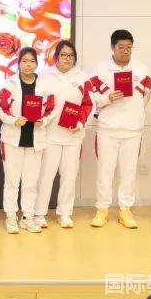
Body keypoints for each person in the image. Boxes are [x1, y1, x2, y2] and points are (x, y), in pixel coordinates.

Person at [88, 29, 151, 229]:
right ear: (112, 47)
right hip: (107, 130)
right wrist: (107, 99)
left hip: (132, 130)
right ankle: (102, 209)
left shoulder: (141, 69)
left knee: (129, 172)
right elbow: (92, 97)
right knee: (104, 172)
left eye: (129, 47)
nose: (125, 51)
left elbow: (145, 98)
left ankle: (125, 210)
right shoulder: (100, 69)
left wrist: (135, 115)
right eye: (121, 47)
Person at [0, 47, 57, 234]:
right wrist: (13, 120)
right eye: (24, 61)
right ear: (18, 63)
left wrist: (43, 121)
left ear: (37, 64)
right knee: (12, 181)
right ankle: (11, 217)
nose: (28, 65)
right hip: (13, 139)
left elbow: (52, 109)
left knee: (31, 182)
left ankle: (27, 217)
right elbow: (0, 109)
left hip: (35, 140)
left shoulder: (44, 85)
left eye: (31, 61)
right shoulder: (9, 84)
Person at [33, 40, 92, 229]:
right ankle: (39, 213)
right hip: (50, 135)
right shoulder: (45, 76)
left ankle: (65, 213)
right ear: (56, 57)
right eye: (64, 55)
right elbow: (38, 101)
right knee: (46, 176)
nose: (67, 59)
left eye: (71, 56)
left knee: (69, 176)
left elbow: (88, 104)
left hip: (73, 136)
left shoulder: (82, 77)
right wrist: (41, 118)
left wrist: (80, 123)